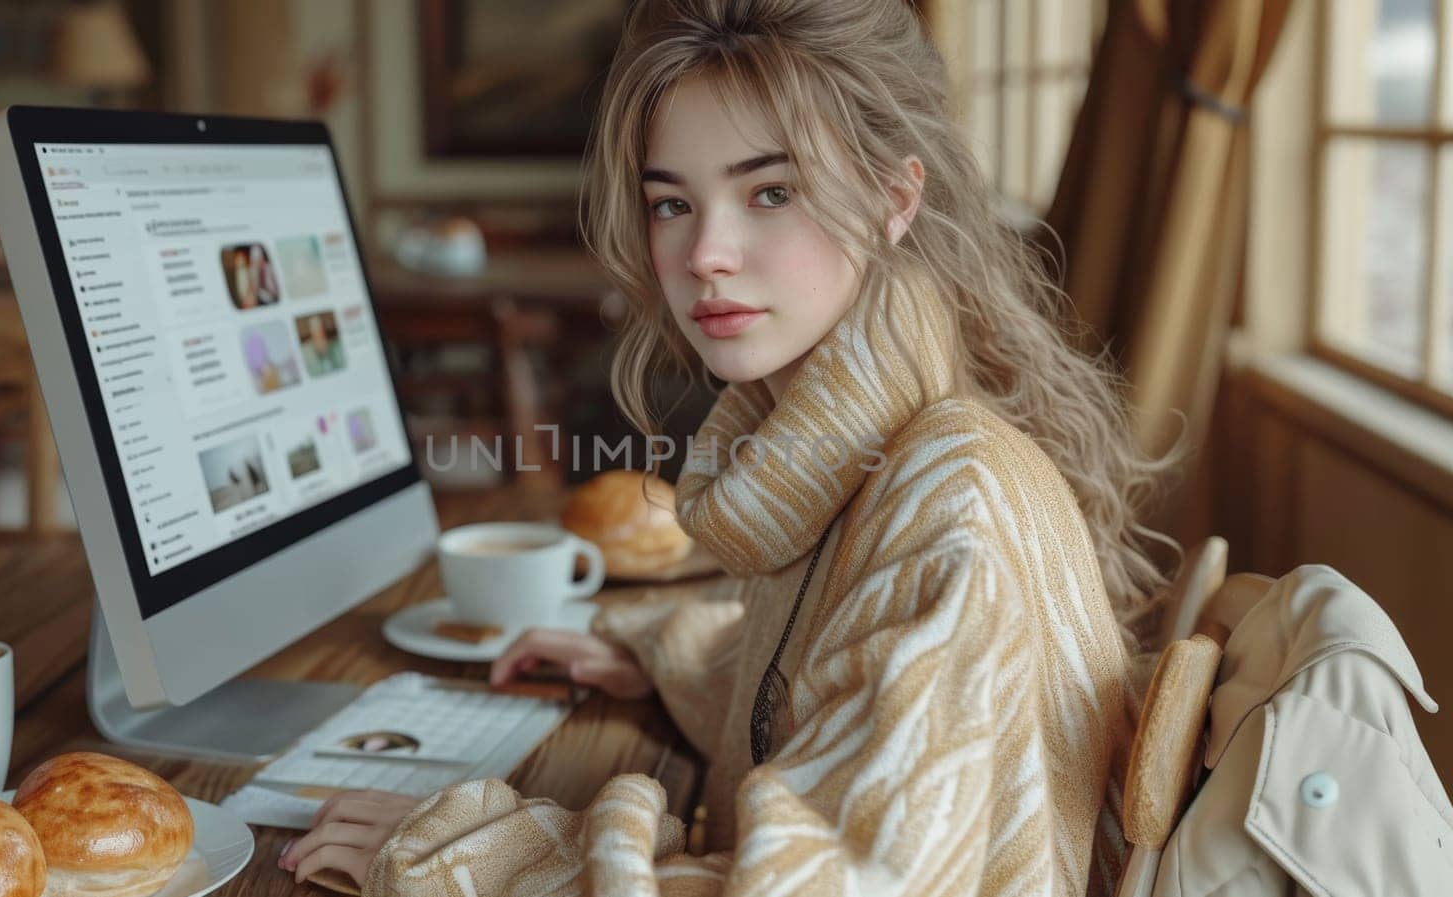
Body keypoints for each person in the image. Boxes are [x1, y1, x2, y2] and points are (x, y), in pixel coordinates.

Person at [280, 1, 1177, 893]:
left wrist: (465, 857)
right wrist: (666, 656)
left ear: (894, 199)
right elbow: (838, 684)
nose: (705, 251)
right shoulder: (856, 453)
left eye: (770, 192)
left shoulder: (953, 503)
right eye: (671, 201)